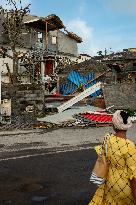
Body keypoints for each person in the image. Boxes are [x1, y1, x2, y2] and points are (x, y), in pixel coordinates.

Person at [89, 110, 136, 205]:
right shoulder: (129, 146)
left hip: (111, 182)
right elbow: (133, 176)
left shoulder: (107, 138)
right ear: (128, 125)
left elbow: (103, 156)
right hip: (125, 187)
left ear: (113, 125)